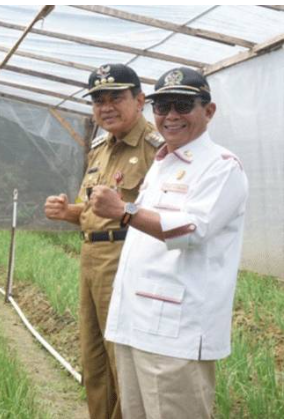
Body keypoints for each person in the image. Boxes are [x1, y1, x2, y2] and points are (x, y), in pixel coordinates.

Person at [91, 67, 248, 418]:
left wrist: (125, 211)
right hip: (134, 321)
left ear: (208, 111)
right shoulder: (162, 163)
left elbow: (192, 230)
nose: (171, 116)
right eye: (162, 107)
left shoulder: (222, 167)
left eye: (182, 105)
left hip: (176, 332)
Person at [44, 64, 163, 419]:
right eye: (98, 100)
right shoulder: (100, 147)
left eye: (116, 98)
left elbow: (160, 217)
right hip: (91, 256)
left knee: (121, 357)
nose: (106, 107)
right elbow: (92, 209)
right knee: (94, 358)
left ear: (139, 100)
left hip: (126, 257)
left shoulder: (156, 149)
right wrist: (69, 212)